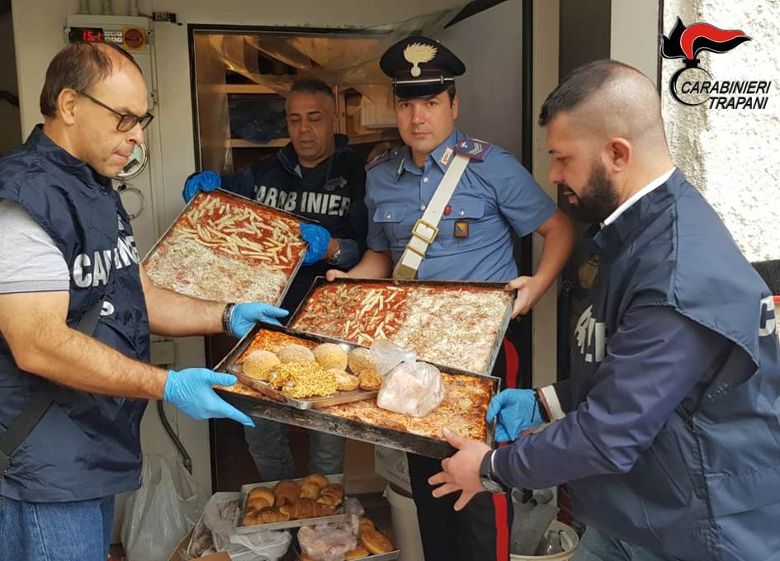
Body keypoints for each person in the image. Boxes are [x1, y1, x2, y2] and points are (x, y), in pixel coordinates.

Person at [429, 60, 780, 561]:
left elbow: (610, 433)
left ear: (617, 153)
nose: (552, 175)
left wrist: (492, 467)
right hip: (634, 509)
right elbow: (628, 367)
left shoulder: (676, 273)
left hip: (697, 528)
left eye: (562, 159)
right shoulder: (637, 231)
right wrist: (547, 401)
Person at [0, 42, 287, 561]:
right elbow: (37, 344)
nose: (137, 135)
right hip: (42, 463)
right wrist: (168, 384)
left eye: (142, 119)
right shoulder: (24, 199)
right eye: (124, 118)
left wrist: (225, 314)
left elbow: (135, 293)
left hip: (88, 444)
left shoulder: (96, 186)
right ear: (69, 106)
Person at [327, 35, 575, 561]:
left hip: (484, 352)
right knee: (430, 478)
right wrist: (350, 280)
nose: (419, 117)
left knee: (484, 479)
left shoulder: (492, 167)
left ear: (453, 106)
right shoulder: (379, 177)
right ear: (395, 107)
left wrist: (537, 283)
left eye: (432, 102)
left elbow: (559, 229)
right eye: (407, 103)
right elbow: (382, 258)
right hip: (415, 356)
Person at [182, 78, 367, 480]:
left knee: (326, 430)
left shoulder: (360, 173)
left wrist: (334, 248)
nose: (303, 129)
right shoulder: (266, 171)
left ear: (333, 117)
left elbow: (375, 250)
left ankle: (323, 515)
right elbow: (227, 205)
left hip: (328, 323)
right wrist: (210, 190)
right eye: (295, 119)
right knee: (261, 428)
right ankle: (281, 500)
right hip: (263, 321)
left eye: (314, 118)